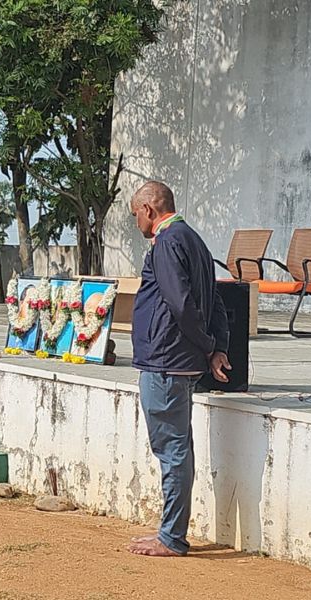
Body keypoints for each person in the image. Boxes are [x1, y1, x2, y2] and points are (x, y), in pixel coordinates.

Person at [127, 181, 231, 557]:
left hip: (167, 360)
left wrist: (206, 345)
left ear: (149, 209)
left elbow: (181, 303)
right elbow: (216, 300)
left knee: (172, 450)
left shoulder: (168, 241)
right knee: (177, 448)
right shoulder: (195, 240)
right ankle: (171, 532)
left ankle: (171, 536)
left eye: (135, 213)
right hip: (179, 361)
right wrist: (217, 347)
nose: (136, 221)